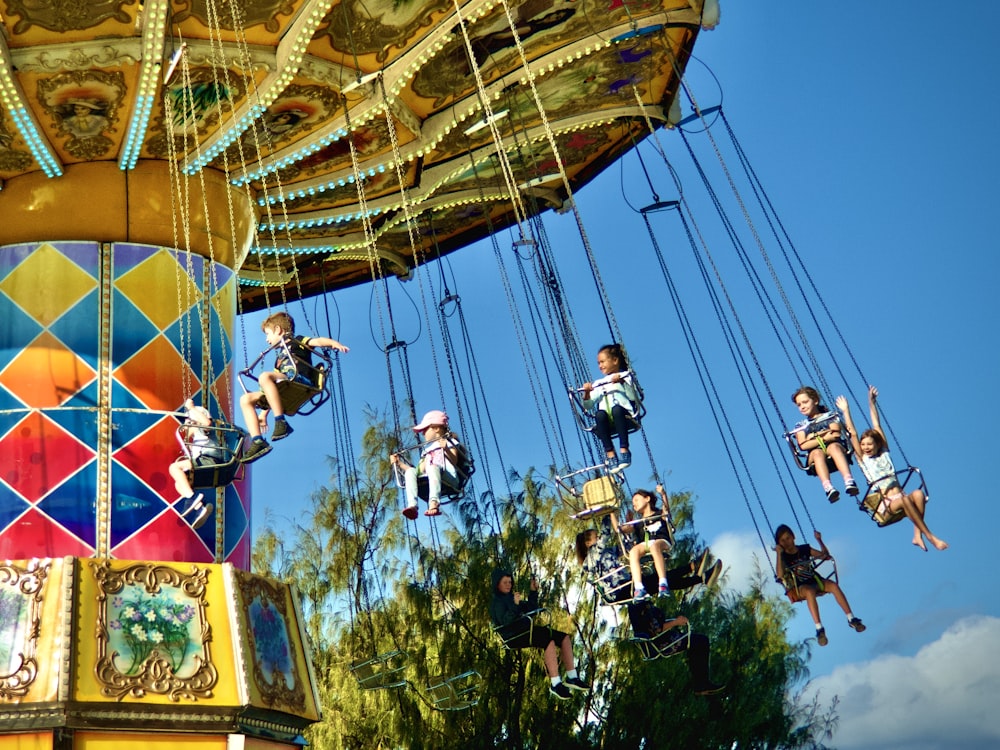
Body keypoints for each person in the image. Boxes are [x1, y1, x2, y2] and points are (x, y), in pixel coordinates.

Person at [837, 387, 948, 551]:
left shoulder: (885, 454)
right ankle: (930, 537)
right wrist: (846, 411)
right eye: (863, 444)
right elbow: (852, 433)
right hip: (886, 504)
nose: (866, 447)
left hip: (900, 495)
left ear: (877, 445)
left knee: (918, 494)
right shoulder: (864, 460)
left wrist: (871, 402)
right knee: (904, 500)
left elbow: (877, 424)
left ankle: (917, 535)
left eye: (869, 444)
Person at [240, 312, 348, 463]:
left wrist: (333, 343)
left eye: (268, 334)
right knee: (245, 399)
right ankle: (258, 441)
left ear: (278, 330)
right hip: (286, 382)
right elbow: (273, 390)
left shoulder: (297, 341)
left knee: (265, 376)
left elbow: (317, 341)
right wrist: (264, 415)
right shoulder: (279, 360)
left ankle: (280, 421)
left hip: (299, 379)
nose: (267, 339)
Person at [489, 569, 590, 700]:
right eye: (505, 582)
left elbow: (531, 608)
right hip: (514, 635)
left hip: (526, 629)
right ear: (497, 584)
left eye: (510, 582)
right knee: (548, 641)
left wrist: (533, 592)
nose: (509, 584)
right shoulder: (497, 603)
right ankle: (555, 683)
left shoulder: (511, 598)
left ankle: (572, 677)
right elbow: (505, 621)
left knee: (563, 637)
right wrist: (515, 605)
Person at [575, 515, 722, 604]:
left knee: (661, 579)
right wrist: (608, 513)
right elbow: (606, 533)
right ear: (588, 543)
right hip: (619, 589)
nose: (599, 538)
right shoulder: (592, 556)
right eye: (596, 536)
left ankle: (698, 574)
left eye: (598, 536)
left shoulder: (605, 552)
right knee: (660, 580)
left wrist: (629, 528)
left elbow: (627, 547)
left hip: (625, 584)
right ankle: (695, 570)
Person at [774, 524, 865, 646]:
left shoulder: (804, 549)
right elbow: (779, 575)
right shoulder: (783, 557)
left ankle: (851, 618)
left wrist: (819, 540)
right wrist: (779, 554)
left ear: (793, 537)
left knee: (833, 586)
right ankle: (819, 628)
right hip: (799, 587)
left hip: (814, 580)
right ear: (779, 544)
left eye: (788, 538)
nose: (787, 542)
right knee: (809, 592)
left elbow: (825, 556)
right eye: (783, 541)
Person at [626, 600, 725, 695]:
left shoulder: (635, 608)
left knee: (695, 644)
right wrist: (676, 622)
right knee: (701, 641)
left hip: (662, 640)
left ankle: (700, 683)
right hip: (663, 644)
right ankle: (701, 684)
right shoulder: (643, 608)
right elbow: (657, 630)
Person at [391, 410, 467, 519]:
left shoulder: (449, 442)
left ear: (436, 428)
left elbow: (454, 461)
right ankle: (412, 505)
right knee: (410, 471)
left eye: (425, 429)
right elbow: (419, 470)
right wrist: (399, 463)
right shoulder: (426, 449)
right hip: (430, 476)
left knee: (432, 466)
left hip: (449, 477)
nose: (422, 433)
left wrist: (446, 449)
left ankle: (434, 502)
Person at [580, 344, 641, 473]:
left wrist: (622, 382)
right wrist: (586, 392)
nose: (600, 366)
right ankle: (610, 454)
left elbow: (633, 396)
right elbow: (588, 405)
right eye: (598, 363)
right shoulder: (598, 384)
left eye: (602, 362)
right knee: (599, 415)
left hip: (623, 413)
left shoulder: (625, 376)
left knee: (616, 410)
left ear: (615, 360)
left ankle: (624, 450)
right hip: (607, 417)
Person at [791, 385, 858, 503]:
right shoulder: (800, 425)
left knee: (834, 447)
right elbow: (803, 445)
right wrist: (825, 434)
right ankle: (828, 487)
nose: (802, 406)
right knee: (817, 453)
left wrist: (812, 437)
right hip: (814, 453)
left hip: (835, 445)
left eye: (805, 402)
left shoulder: (829, 416)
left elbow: (836, 434)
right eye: (799, 405)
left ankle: (848, 480)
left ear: (815, 401)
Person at [169, 399, 223, 529]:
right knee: (179, 483)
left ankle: (193, 498)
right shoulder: (196, 438)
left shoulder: (203, 428)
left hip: (209, 459)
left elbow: (206, 422)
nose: (186, 425)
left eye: (188, 421)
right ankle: (200, 508)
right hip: (203, 463)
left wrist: (191, 408)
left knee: (174, 467)